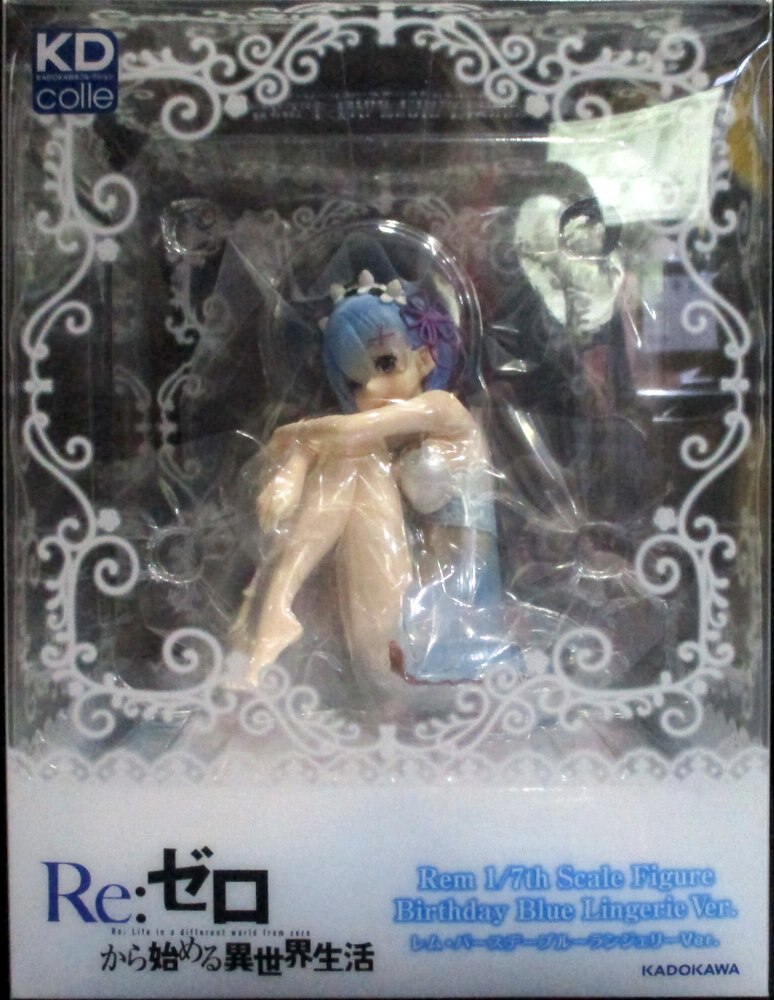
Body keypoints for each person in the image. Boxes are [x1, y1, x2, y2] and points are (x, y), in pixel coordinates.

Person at [234, 270, 505, 696]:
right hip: (395, 640)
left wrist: (289, 442)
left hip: (449, 640)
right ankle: (274, 611)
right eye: (356, 383)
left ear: (425, 359)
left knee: (356, 455)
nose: (373, 388)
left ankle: (272, 606)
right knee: (355, 457)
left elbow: (344, 432)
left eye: (385, 364)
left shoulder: (446, 411)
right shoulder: (390, 445)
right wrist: (293, 467)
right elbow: (340, 438)